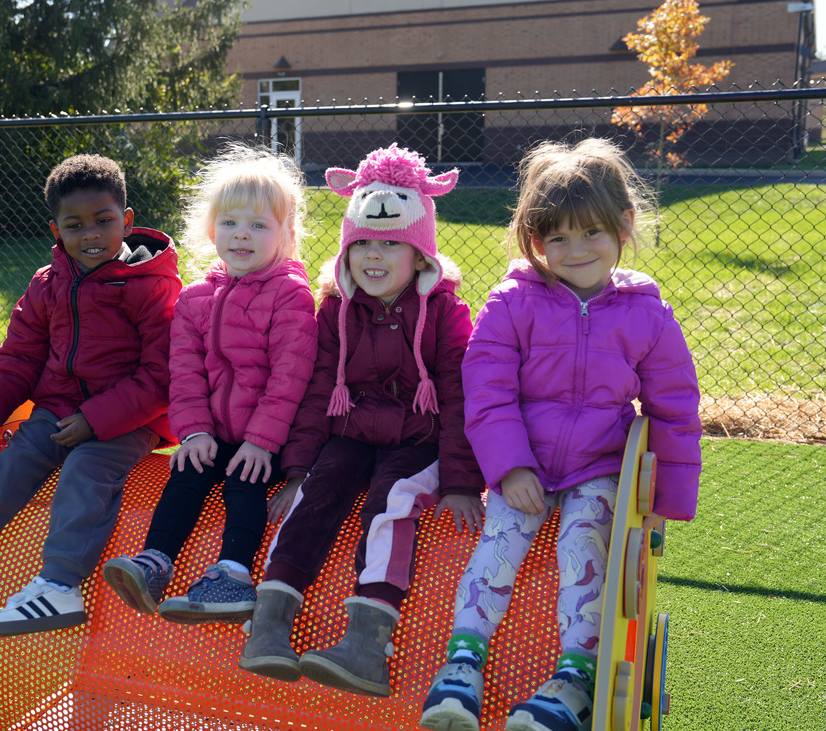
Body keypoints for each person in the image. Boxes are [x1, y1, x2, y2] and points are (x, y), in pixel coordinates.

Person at [419, 138, 702, 731]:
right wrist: (510, 467)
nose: (575, 251)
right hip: (525, 462)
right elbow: (487, 388)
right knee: (500, 539)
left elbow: (674, 409)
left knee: (583, 549)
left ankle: (573, 680)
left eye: (591, 233)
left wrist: (659, 507)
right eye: (557, 238)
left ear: (624, 226)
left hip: (599, 466)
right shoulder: (513, 302)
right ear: (533, 239)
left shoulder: (646, 313)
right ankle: (461, 667)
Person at [0, 153, 182, 637]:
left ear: (126, 221)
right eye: (75, 225)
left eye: (104, 221)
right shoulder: (47, 285)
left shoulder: (152, 287)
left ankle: (58, 585)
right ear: (56, 230)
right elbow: (19, 358)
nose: (91, 235)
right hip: (57, 411)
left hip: (132, 419)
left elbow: (161, 376)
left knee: (88, 468)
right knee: (7, 467)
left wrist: (95, 420)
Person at [237, 144, 486, 698]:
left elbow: (459, 395)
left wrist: (464, 481)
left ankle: (367, 644)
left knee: (390, 504)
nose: (374, 255)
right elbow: (318, 388)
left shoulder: (444, 312)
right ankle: (270, 623)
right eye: (363, 243)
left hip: (418, 441)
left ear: (421, 255)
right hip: (350, 435)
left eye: (391, 243)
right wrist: (298, 467)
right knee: (315, 497)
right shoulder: (338, 310)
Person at [102, 143, 317, 625]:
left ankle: (234, 576)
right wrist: (194, 432)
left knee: (246, 479)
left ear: (286, 234)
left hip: (271, 439)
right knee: (187, 473)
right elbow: (186, 374)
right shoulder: (196, 298)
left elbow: (291, 378)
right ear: (210, 229)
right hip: (215, 434)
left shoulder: (290, 295)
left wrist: (261, 443)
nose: (242, 235)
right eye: (231, 223)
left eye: (259, 225)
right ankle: (154, 563)